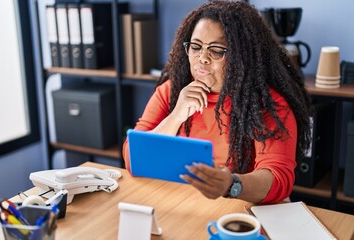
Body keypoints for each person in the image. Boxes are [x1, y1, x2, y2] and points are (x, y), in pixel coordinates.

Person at [122, 0, 312, 204]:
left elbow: (277, 179)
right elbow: (133, 158)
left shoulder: (268, 105)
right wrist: (176, 116)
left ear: (242, 56)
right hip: (182, 201)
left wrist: (231, 185)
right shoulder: (171, 90)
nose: (202, 58)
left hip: (240, 207)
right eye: (195, 47)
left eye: (217, 50)